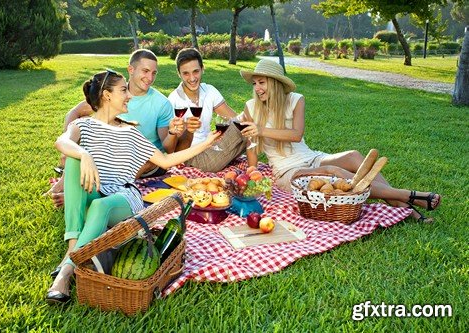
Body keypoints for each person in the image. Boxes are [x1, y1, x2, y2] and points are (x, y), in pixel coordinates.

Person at [46, 70, 220, 305]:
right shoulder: (82, 125)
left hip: (123, 198)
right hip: (95, 189)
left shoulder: (130, 132)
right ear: (107, 95)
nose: (129, 96)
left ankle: (65, 272)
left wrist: (207, 141)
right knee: (76, 160)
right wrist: (84, 153)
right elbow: (62, 141)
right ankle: (74, 253)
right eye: (123, 90)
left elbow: (167, 161)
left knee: (99, 205)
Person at [238, 59, 441, 223]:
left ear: (274, 83)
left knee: (353, 156)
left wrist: (262, 129)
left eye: (261, 82)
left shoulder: (295, 99)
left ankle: (403, 203)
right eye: (255, 83)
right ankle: (409, 201)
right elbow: (252, 147)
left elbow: (296, 134)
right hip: (287, 171)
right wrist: (253, 172)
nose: (257, 88)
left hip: (311, 157)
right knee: (333, 172)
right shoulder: (251, 107)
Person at [46, 49, 183, 207]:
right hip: (111, 151)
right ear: (131, 70)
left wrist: (173, 133)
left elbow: (167, 148)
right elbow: (74, 112)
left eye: (154, 73)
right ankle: (64, 186)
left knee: (138, 161)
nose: (150, 78)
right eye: (145, 71)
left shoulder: (161, 103)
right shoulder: (112, 94)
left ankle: (94, 195)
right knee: (85, 147)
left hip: (144, 159)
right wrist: (70, 144)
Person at [167, 48, 247, 172]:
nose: (192, 78)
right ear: (179, 74)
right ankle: (255, 169)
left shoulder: (209, 90)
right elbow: (174, 150)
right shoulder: (174, 101)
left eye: (196, 71)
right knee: (249, 121)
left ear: (202, 69)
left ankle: (255, 169)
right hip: (193, 159)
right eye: (186, 73)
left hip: (211, 148)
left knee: (248, 125)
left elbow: (234, 118)